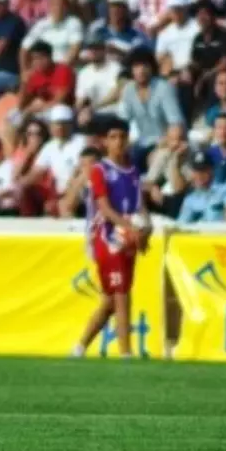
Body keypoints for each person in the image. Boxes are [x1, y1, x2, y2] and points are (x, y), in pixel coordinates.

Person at [72, 119, 148, 358]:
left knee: (110, 301)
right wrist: (130, 227)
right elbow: (104, 207)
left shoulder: (134, 171)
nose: (118, 142)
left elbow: (140, 206)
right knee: (123, 295)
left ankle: (79, 347)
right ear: (105, 141)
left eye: (122, 137)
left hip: (126, 237)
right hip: (106, 238)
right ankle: (126, 354)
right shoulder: (99, 170)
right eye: (113, 137)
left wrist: (146, 229)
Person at [178, 150, 226, 223]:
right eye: (196, 171)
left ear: (212, 171)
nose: (199, 175)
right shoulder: (190, 199)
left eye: (203, 170)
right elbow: (181, 225)